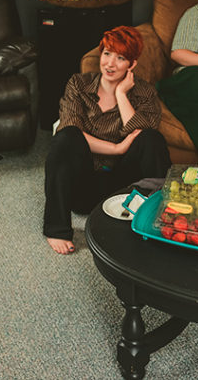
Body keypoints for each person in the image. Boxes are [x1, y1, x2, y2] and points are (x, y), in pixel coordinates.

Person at [43, 26, 170, 255]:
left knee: (152, 139)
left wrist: (121, 94)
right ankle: (57, 229)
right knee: (66, 137)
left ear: (132, 64)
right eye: (107, 54)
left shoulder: (145, 93)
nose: (110, 64)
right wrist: (116, 148)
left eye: (120, 58)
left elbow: (141, 135)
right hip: (83, 184)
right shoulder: (78, 84)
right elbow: (71, 128)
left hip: (126, 189)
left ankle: (157, 219)